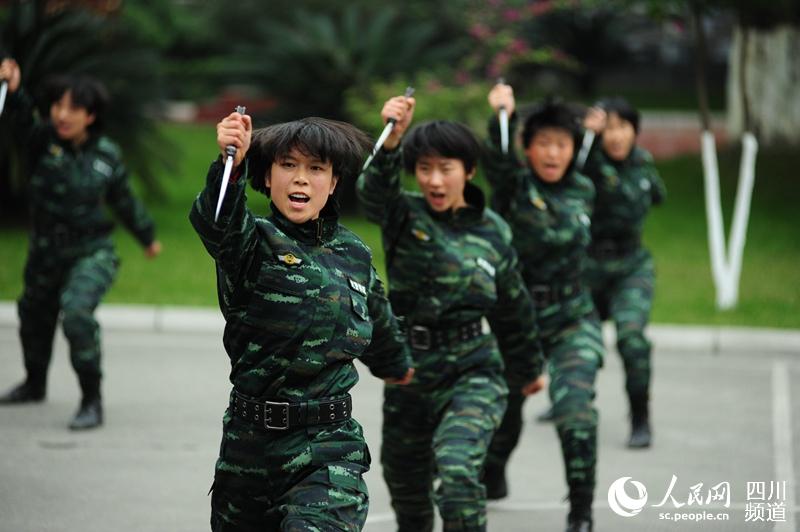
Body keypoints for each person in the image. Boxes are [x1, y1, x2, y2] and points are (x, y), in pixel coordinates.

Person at [190, 110, 414, 531]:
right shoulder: (251, 243)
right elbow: (216, 221)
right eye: (288, 165)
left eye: (316, 169)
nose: (300, 179)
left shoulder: (354, 253)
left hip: (328, 447)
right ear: (267, 176)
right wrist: (230, 164)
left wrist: (400, 367)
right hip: (248, 449)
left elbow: (378, 320)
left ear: (333, 183)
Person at [357, 94, 546, 532]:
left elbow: (513, 305)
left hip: (473, 369)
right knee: (408, 492)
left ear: (469, 170)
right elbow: (373, 192)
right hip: (410, 373)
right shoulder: (404, 215)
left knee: (459, 475)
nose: (435, 180)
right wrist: (391, 140)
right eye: (425, 169)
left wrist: (527, 367)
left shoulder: (492, 230)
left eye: (446, 168)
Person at [0, 58, 161, 430]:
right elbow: (23, 120)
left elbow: (124, 200)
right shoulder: (42, 142)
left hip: (92, 251)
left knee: (76, 315)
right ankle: (33, 383)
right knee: (33, 316)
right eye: (58, 105)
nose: (62, 114)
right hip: (45, 252)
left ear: (90, 115)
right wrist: (16, 89)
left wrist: (147, 237)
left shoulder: (106, 154)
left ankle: (92, 400)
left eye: (73, 108)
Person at [481, 83, 603, 532]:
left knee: (575, 411)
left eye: (562, 144)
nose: (553, 153)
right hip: (519, 321)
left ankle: (581, 510)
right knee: (505, 412)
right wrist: (504, 115)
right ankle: (493, 472)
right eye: (544, 143)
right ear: (528, 148)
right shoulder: (513, 187)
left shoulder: (584, 188)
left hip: (573, 317)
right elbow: (498, 159)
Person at [580, 97, 666, 448]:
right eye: (609, 128)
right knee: (577, 343)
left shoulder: (643, 163)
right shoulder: (588, 162)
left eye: (623, 127)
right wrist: (587, 136)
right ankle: (568, 400)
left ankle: (640, 417)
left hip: (631, 266)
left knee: (632, 340)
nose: (616, 136)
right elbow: (573, 170)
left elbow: (658, 195)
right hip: (588, 267)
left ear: (634, 130)